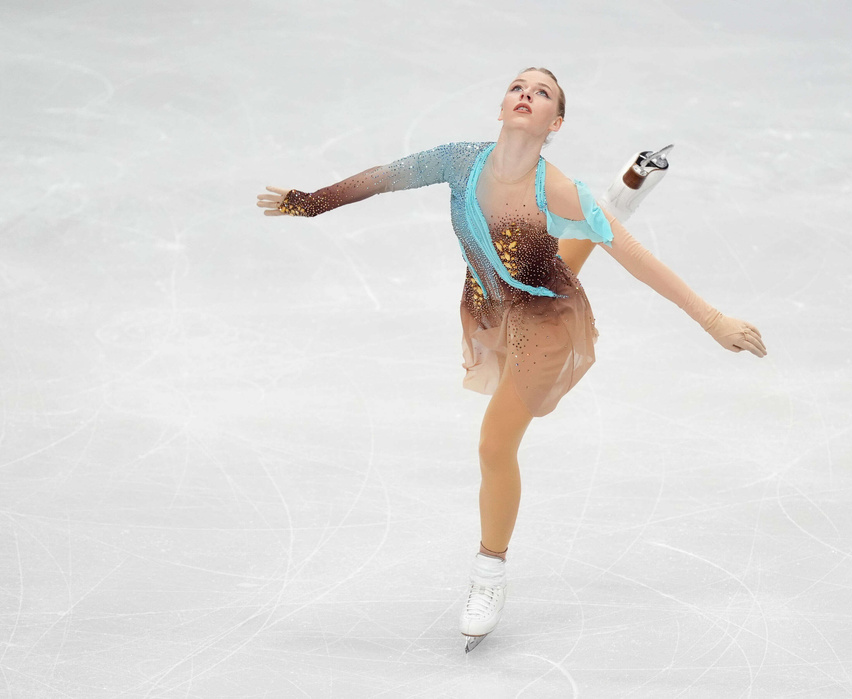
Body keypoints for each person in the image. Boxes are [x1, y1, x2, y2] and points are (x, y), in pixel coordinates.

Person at [257, 67, 767, 653]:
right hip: (494, 302)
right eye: (518, 86)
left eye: (543, 92)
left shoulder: (558, 190)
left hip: (545, 328)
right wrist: (311, 203)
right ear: (502, 106)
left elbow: (633, 258)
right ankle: (627, 188)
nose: (526, 93)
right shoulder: (457, 161)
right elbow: (382, 179)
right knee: (555, 254)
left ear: (555, 123)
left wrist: (712, 320)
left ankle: (489, 571)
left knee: (494, 445)